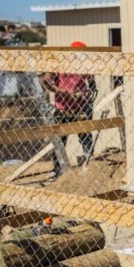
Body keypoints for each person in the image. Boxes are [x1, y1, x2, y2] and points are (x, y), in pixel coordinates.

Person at [41, 41, 97, 176]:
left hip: (80, 107)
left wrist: (84, 94)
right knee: (60, 140)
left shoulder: (85, 67)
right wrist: (62, 91)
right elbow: (44, 81)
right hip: (62, 108)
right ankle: (57, 170)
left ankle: (89, 165)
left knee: (85, 136)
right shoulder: (60, 65)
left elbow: (92, 85)